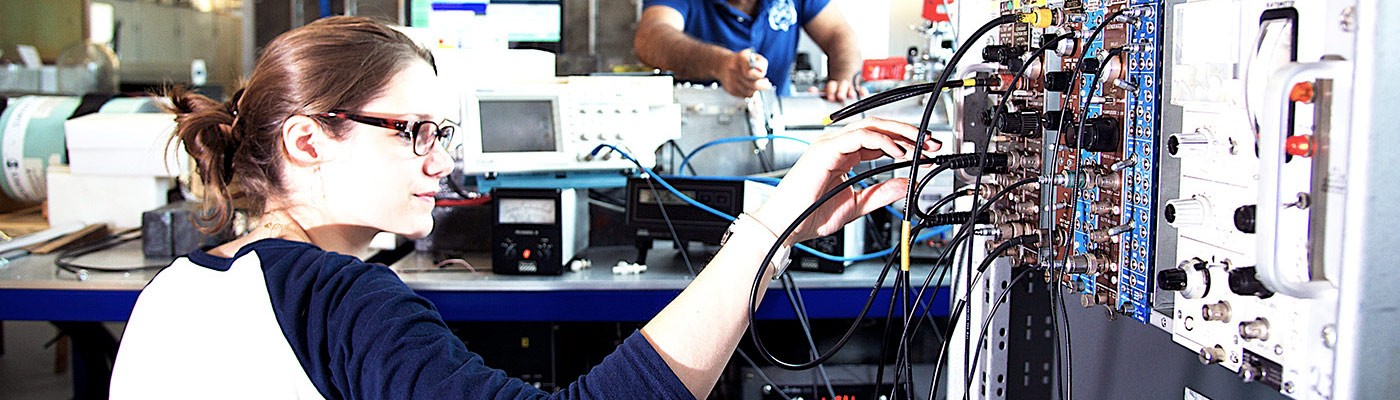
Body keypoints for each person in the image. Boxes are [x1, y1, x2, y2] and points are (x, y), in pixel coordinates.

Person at [109, 16, 937, 399]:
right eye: (415, 132)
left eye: (446, 132)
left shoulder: (168, 296)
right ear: (305, 141)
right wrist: (770, 227)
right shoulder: (341, 304)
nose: (444, 160)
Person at [635, 0, 868, 101]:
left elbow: (838, 33)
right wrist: (719, 64)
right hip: (695, 135)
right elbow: (651, 36)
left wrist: (844, 80)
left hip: (778, 131)